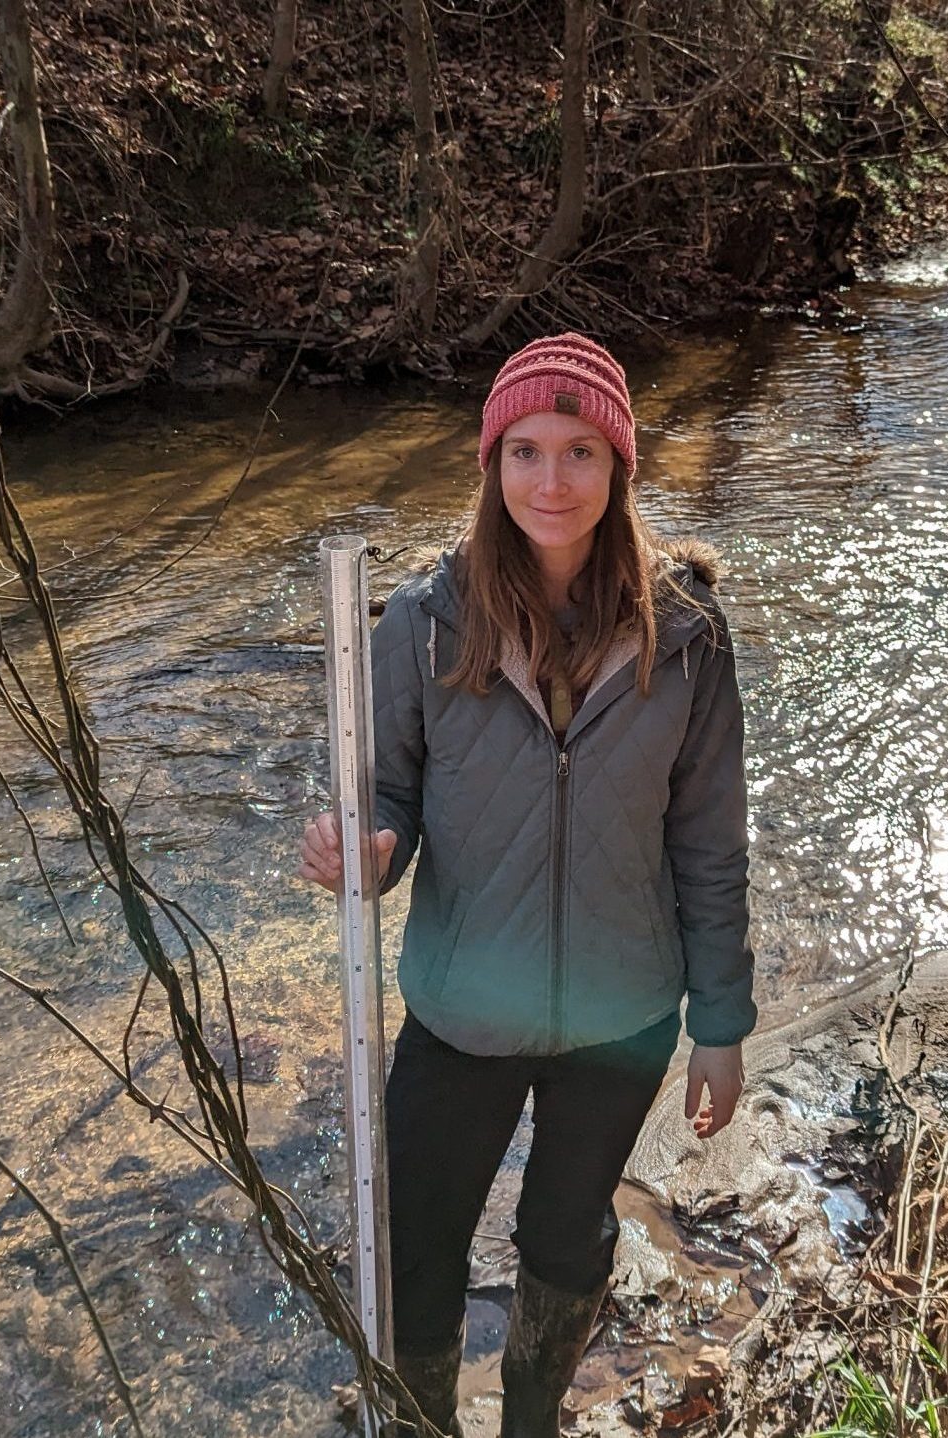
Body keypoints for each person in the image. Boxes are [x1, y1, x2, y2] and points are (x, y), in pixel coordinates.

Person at [298, 332, 757, 1438]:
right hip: (461, 1006)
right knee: (418, 1236)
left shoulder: (684, 637)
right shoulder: (420, 626)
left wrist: (721, 1023)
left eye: (581, 451)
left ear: (620, 468)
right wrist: (368, 853)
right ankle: (420, 1422)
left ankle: (533, 1418)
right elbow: (389, 800)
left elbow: (708, 841)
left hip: (623, 1012)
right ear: (490, 464)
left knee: (566, 1233)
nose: (551, 481)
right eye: (526, 451)